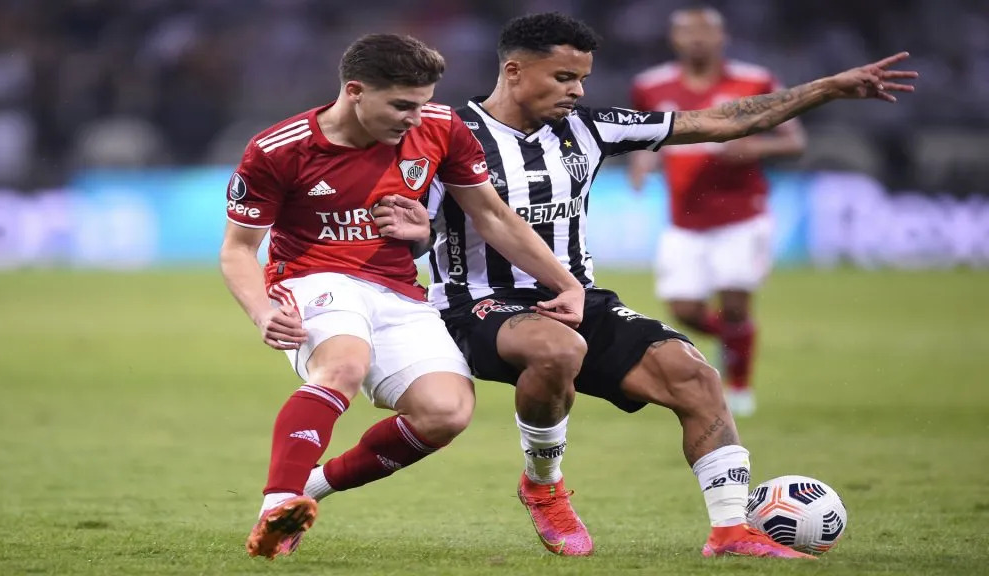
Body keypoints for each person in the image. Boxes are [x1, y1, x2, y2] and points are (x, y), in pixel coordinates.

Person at [310, 12, 915, 559]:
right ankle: (544, 487)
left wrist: (826, 88)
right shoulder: (443, 134)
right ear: (514, 71)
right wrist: (416, 236)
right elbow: (405, 233)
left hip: (579, 299)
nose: (577, 91)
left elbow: (722, 121)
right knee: (556, 348)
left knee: (694, 376)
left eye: (582, 78)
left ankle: (731, 532)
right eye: (563, 77)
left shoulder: (591, 129)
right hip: (476, 306)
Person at [220, 32, 587, 561]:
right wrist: (261, 311)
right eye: (401, 106)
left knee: (446, 412)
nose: (415, 118)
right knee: (344, 365)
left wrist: (567, 284)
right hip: (312, 277)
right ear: (355, 91)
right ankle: (276, 507)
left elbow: (492, 216)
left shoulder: (440, 127)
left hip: (398, 290)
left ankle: (310, 488)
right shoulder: (279, 149)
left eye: (422, 103)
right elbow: (238, 249)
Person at [627, 6, 808, 416]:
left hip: (741, 214)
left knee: (735, 301)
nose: (697, 39)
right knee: (684, 310)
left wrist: (755, 146)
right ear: (674, 39)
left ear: (722, 37)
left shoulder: (754, 81)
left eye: (705, 31)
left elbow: (795, 141)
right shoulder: (650, 86)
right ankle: (736, 342)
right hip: (684, 218)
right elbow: (644, 137)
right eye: (687, 31)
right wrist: (643, 162)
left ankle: (739, 387)